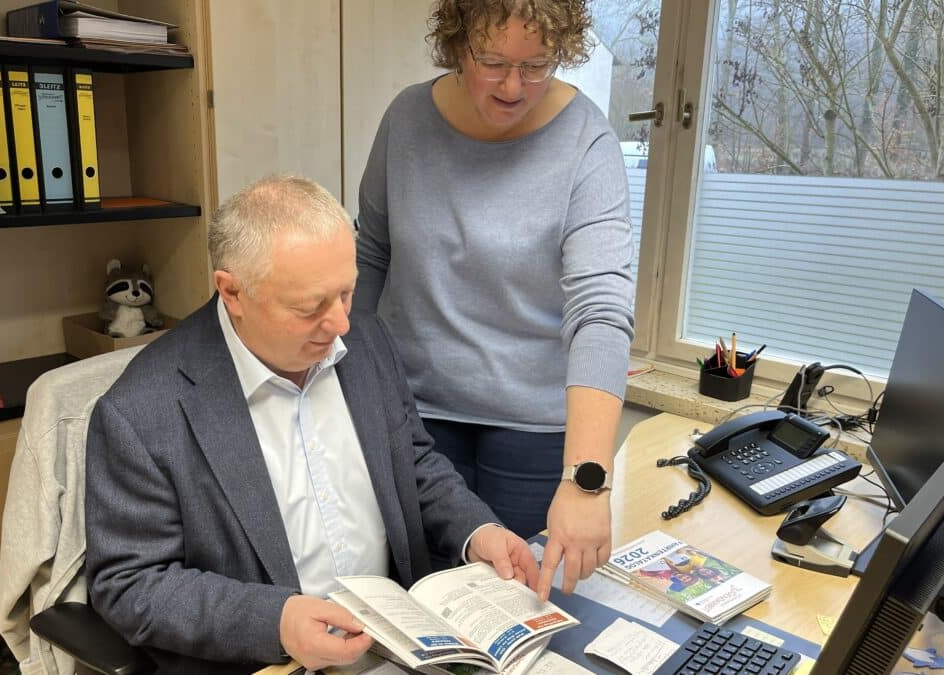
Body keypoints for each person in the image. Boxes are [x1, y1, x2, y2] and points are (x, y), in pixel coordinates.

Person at [84, 175, 540, 675]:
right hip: (269, 661)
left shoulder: (364, 338)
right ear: (232, 292)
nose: (341, 323)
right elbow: (129, 583)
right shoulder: (141, 411)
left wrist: (476, 530)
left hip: (399, 641)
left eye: (346, 293)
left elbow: (412, 460)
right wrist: (275, 621)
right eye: (310, 307)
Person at [353, 0, 636, 604]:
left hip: (532, 427)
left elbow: (601, 311)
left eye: (537, 65)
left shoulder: (587, 141)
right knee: (426, 600)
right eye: (492, 62)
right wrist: (344, 380)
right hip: (415, 410)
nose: (514, 86)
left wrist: (587, 484)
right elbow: (372, 254)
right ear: (457, 46)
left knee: (523, 602)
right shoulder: (406, 119)